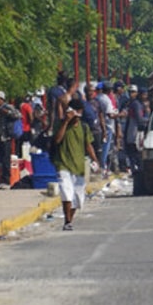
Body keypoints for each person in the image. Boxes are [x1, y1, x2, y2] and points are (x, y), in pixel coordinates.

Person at [54, 96, 99, 230]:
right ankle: (67, 222)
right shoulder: (61, 125)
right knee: (66, 193)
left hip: (79, 167)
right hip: (63, 165)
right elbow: (57, 140)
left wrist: (95, 160)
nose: (77, 115)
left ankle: (69, 219)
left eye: (79, 112)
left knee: (78, 198)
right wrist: (65, 122)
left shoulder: (84, 127)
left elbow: (88, 145)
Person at [0, 90, 21, 188]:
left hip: (6, 137)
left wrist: (6, 112)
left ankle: (6, 181)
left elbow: (18, 115)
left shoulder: (7, 107)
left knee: (5, 159)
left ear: (1, 99)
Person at [123, 86, 150, 177]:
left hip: (135, 130)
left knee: (136, 152)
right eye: (143, 95)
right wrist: (148, 117)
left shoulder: (138, 103)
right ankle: (136, 170)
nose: (145, 96)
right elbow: (139, 119)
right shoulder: (137, 104)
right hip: (134, 131)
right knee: (135, 152)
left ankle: (136, 169)